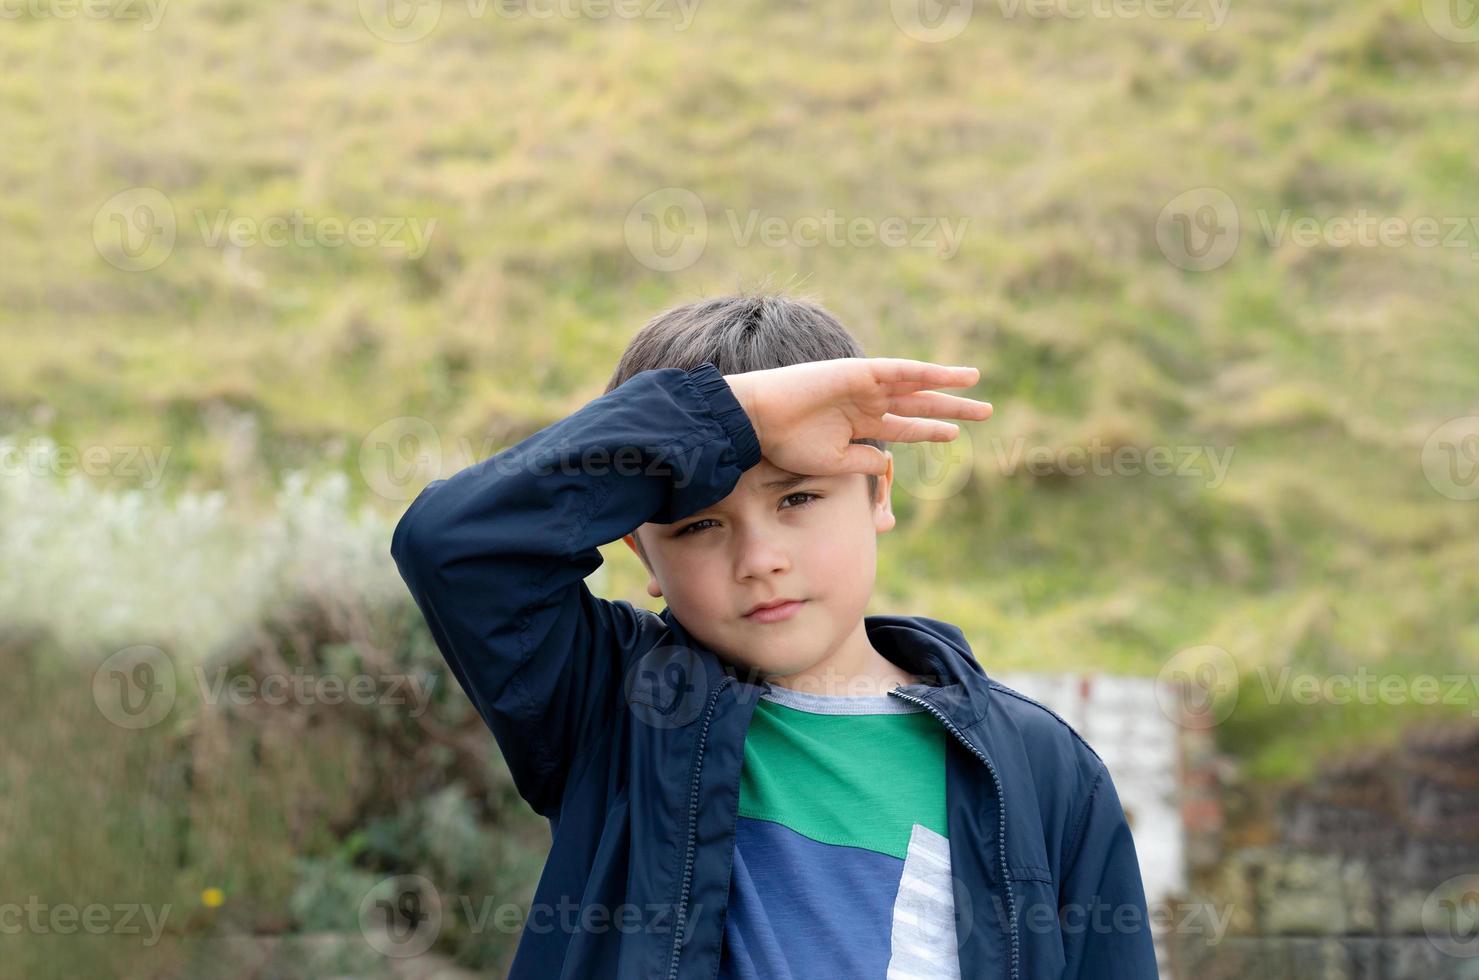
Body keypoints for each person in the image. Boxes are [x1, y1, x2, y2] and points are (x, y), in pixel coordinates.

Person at [390, 292, 1159, 978]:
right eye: (698, 523)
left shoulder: (1040, 766)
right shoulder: (613, 706)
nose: (758, 560)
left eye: (796, 498)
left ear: (877, 492)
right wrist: (730, 420)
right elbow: (453, 545)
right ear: (641, 553)